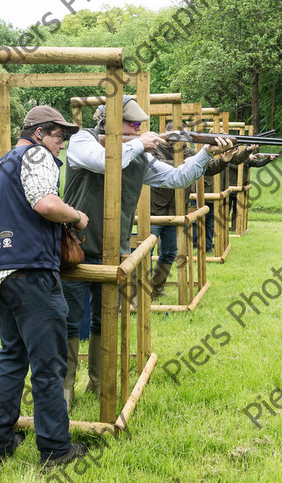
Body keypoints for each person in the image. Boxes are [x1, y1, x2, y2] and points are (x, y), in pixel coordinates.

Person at [61, 96, 232, 407]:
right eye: (131, 124)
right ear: (108, 123)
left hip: (115, 252)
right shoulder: (82, 140)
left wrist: (207, 151)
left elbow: (178, 178)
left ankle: (97, 384)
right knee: (70, 322)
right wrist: (139, 143)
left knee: (104, 320)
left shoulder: (138, 155)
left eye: (140, 125)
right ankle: (65, 392)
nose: (139, 128)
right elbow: (104, 161)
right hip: (73, 250)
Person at [0, 106, 90, 470]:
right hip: (31, 272)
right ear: (40, 133)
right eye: (59, 136)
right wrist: (77, 216)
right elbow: (45, 204)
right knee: (48, 365)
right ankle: (56, 451)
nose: (62, 144)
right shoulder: (37, 154)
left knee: (11, 358)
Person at [149, 122, 236, 300]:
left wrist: (224, 159)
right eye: (183, 136)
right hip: (153, 211)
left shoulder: (187, 152)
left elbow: (207, 167)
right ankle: (136, 294)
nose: (186, 142)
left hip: (177, 210)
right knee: (145, 253)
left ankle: (155, 289)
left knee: (170, 252)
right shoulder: (154, 149)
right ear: (169, 135)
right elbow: (166, 167)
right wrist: (192, 161)